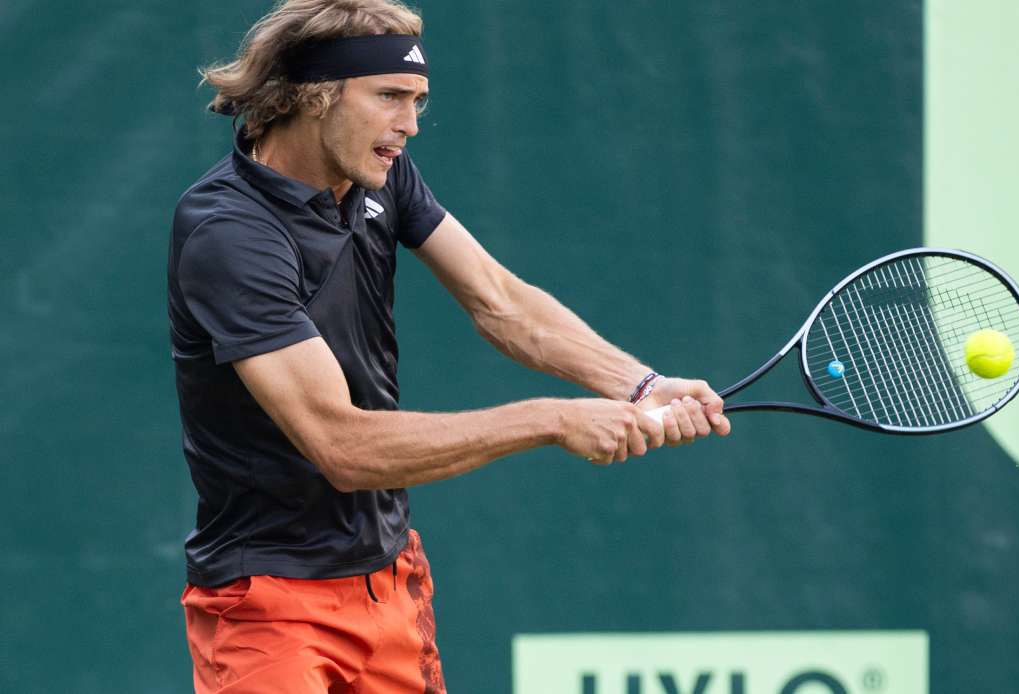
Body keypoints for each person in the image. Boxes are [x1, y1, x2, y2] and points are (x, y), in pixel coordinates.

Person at [167, 1, 731, 691]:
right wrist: (552, 419)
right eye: (390, 98)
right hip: (269, 605)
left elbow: (499, 301)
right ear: (314, 96)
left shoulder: (380, 175)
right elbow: (339, 444)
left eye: (418, 101)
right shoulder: (230, 233)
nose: (409, 124)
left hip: (386, 587)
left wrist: (639, 384)